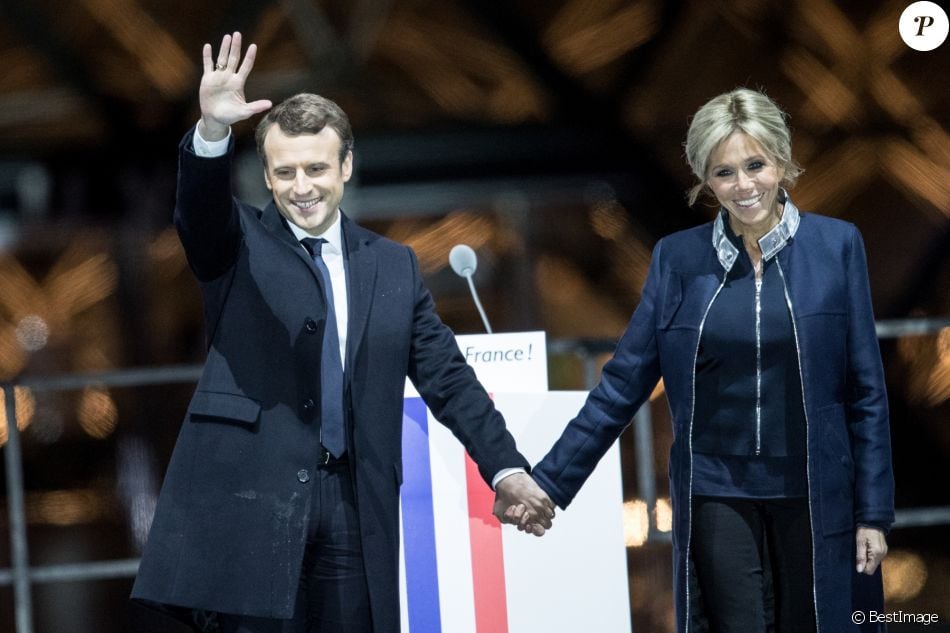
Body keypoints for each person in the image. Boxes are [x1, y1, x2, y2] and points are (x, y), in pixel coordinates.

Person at [131, 32, 554, 633]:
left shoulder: (393, 265)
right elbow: (198, 214)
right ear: (268, 177)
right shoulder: (236, 243)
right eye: (285, 172)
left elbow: (448, 377)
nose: (302, 186)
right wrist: (212, 133)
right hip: (255, 503)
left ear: (346, 166)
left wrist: (506, 468)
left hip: (356, 503)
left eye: (316, 168)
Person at [501, 88, 895, 632]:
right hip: (717, 492)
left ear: (780, 162)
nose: (744, 185)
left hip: (816, 491)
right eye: (724, 172)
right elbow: (622, 385)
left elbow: (865, 392)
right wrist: (547, 481)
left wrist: (873, 512)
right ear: (704, 179)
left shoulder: (838, 247)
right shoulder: (677, 260)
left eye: (754, 165)